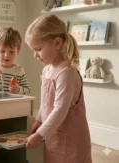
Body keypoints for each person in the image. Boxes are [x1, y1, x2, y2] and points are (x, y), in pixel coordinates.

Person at [24, 14, 92, 163]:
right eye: (33, 51)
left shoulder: (66, 73)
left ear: (57, 43)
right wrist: (40, 120)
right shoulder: (47, 70)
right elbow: (45, 102)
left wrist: (40, 134)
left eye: (38, 49)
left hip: (72, 140)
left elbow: (60, 109)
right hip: (54, 136)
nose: (36, 55)